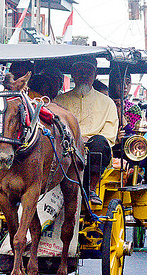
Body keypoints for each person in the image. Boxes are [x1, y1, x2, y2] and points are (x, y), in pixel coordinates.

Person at [54, 58, 119, 205]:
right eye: (79, 71)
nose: (83, 75)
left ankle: (90, 189)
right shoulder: (59, 100)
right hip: (65, 146)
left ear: (94, 75)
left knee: (100, 143)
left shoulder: (107, 103)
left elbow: (109, 135)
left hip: (93, 148)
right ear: (72, 75)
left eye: (88, 72)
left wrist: (85, 141)